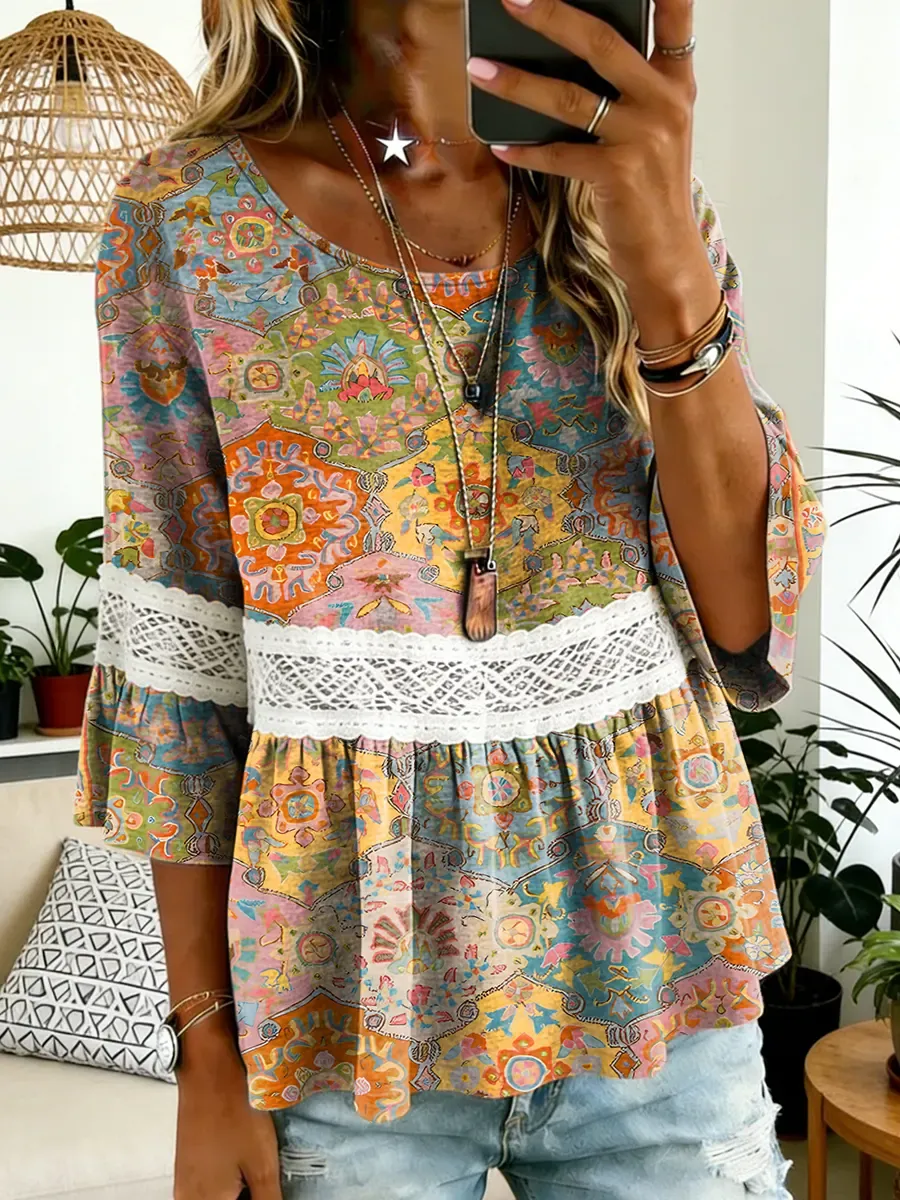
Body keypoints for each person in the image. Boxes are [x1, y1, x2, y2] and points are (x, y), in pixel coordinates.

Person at [75, 0, 824, 1196]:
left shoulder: (629, 187)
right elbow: (181, 657)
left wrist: (669, 259)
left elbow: (743, 618)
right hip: (349, 1006)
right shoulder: (185, 217)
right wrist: (205, 1051)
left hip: (656, 967)